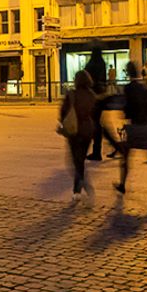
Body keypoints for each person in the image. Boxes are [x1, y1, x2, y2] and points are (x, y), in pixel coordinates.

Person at [117, 62, 147, 206]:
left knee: (125, 158)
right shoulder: (146, 87)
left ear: (127, 73)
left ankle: (123, 184)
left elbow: (127, 109)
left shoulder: (128, 88)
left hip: (136, 127)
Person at [58, 71, 97, 205]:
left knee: (75, 162)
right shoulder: (92, 95)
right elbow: (95, 114)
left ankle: (79, 190)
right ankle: (78, 190)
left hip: (74, 131)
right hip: (87, 130)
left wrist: (63, 123)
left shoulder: (72, 94)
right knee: (80, 160)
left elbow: (63, 112)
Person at [84, 48, 109, 161]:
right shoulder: (101, 62)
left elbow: (87, 76)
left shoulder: (93, 63)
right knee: (96, 124)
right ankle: (96, 150)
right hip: (100, 95)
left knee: (94, 125)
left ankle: (95, 151)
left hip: (93, 96)